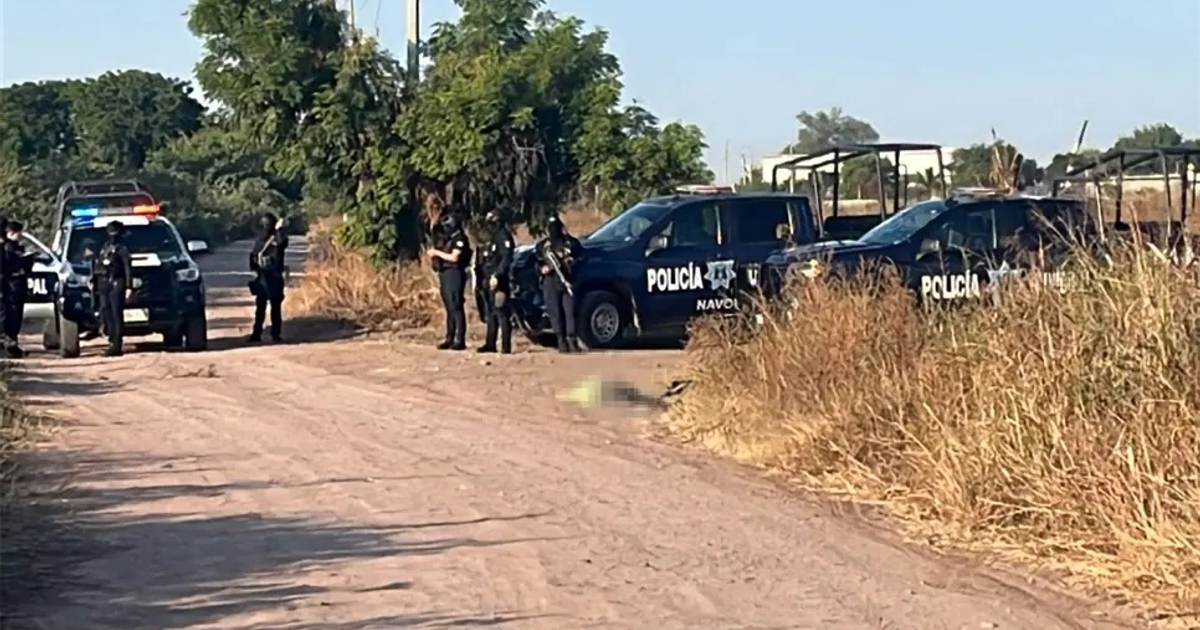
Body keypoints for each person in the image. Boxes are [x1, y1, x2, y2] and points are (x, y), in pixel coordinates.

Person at [535, 214, 584, 353]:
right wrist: (542, 269)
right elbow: (536, 264)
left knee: (570, 312)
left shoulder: (571, 243)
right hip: (551, 281)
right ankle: (561, 341)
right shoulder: (543, 246)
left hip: (568, 280)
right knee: (555, 312)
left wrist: (572, 263)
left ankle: (572, 340)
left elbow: (582, 257)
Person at [425, 210, 472, 351]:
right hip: (445, 273)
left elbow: (454, 257)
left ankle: (460, 339)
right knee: (449, 307)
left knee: (456, 306)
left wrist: (436, 253)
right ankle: (449, 337)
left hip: (455, 273)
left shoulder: (460, 238)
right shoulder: (448, 238)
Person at [476, 206, 516, 354]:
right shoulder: (492, 237)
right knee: (490, 312)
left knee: (501, 311)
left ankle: (506, 346)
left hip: (499, 280)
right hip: (487, 279)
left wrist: (497, 275)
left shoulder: (503, 236)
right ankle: (490, 343)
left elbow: (506, 258)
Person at [94, 221, 133, 357]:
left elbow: (127, 268)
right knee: (107, 311)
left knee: (116, 313)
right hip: (104, 282)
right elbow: (98, 265)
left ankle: (117, 345)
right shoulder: (105, 247)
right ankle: (111, 340)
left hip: (117, 282)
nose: (112, 236)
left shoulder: (122, 249)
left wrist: (129, 287)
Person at [248, 213, 288, 343]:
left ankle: (257, 334)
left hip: (264, 277)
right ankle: (274, 334)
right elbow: (282, 243)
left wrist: (255, 271)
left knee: (262, 308)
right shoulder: (276, 237)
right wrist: (280, 229)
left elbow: (252, 257)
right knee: (274, 308)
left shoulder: (261, 240)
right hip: (273, 277)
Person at [0, 220, 34, 358]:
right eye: (18, 233)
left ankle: (12, 344)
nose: (20, 236)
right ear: (10, 233)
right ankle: (7, 345)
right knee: (7, 316)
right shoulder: (5, 248)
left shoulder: (16, 247)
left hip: (17, 286)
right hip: (9, 286)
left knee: (16, 316)